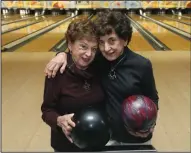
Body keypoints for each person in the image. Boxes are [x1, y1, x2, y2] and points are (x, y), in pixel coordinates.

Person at [44, 10, 159, 145]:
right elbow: (78, 54)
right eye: (101, 42)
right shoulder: (98, 60)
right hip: (107, 137)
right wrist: (61, 54)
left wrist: (150, 123)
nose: (106, 48)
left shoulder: (142, 65)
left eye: (112, 41)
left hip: (136, 137)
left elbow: (153, 98)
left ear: (125, 40)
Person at [41, 19, 106, 152]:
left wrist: (61, 53)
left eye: (94, 49)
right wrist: (59, 120)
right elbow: (47, 110)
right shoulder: (57, 72)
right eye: (83, 46)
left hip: (98, 142)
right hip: (66, 145)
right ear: (70, 45)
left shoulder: (99, 65)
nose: (89, 54)